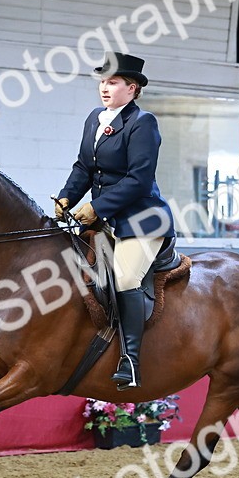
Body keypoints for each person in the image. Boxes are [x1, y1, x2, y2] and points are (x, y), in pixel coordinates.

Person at [55, 53, 175, 390]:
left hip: (141, 220)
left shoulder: (143, 123)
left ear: (132, 88)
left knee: (124, 279)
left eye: (113, 82)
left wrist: (95, 208)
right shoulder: (95, 119)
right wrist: (67, 197)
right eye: (103, 82)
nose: (104, 88)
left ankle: (131, 361)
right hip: (104, 218)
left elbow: (138, 179)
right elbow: (84, 167)